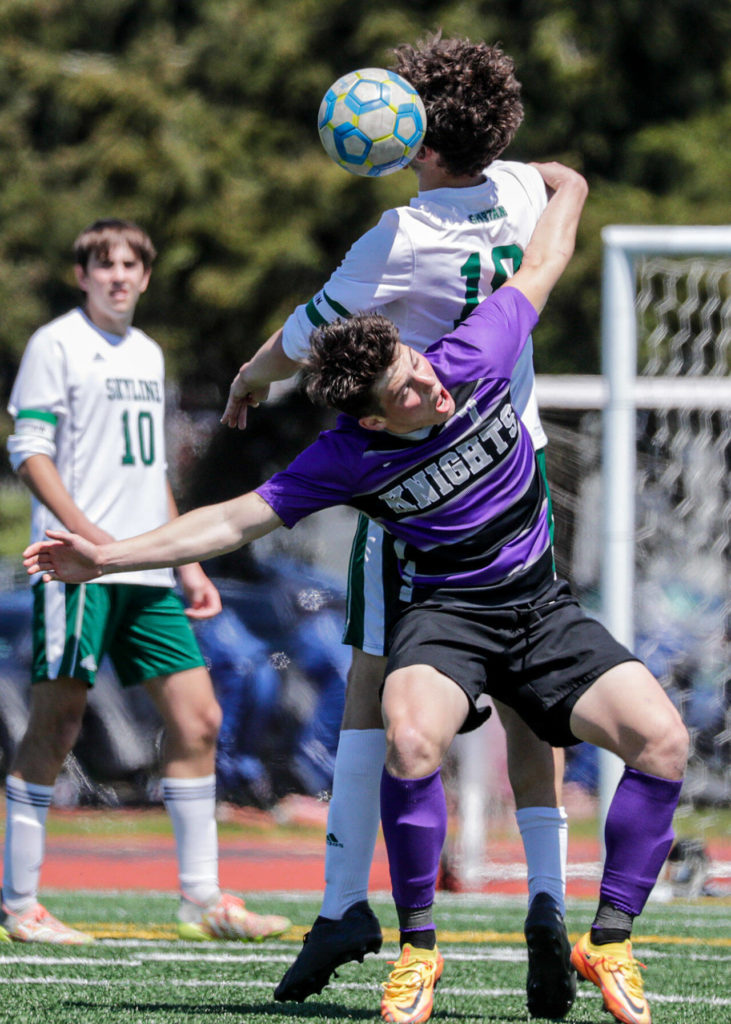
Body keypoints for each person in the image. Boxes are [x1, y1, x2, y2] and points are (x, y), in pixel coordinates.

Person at [24, 164, 687, 1024]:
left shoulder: (474, 354)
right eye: (406, 392)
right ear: (371, 419)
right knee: (409, 741)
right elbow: (228, 522)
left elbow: (542, 266)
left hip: (539, 609)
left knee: (662, 741)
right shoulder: (346, 458)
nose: (428, 387)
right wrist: (107, 558)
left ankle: (611, 938)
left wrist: (569, 191)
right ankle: (416, 952)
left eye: (417, 366)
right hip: (447, 621)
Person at [221, 35, 574, 1017]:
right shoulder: (520, 192)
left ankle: (345, 904)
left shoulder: (398, 235)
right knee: (525, 687)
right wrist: (555, 172)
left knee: (373, 682)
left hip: (421, 465)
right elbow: (554, 177)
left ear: (412, 140)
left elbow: (300, 341)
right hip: (519, 460)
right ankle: (546, 893)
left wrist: (248, 379)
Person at [4, 219, 290, 945]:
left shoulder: (149, 353)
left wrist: (184, 560)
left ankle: (202, 899)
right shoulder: (55, 344)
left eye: (130, 265)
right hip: (75, 564)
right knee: (58, 722)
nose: (118, 277)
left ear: (145, 276)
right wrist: (92, 540)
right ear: (83, 276)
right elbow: (30, 453)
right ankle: (20, 904)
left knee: (199, 719)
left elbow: (151, 473)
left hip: (144, 570)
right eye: (104, 265)